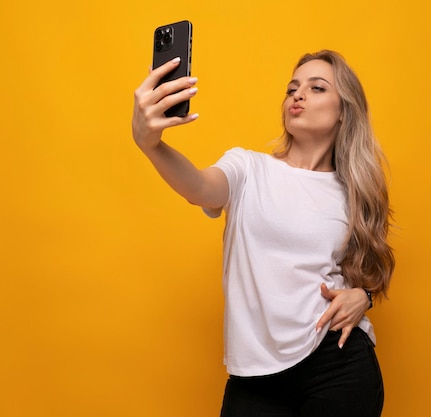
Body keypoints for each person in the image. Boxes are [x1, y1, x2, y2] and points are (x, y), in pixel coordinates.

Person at [132, 49, 395, 417]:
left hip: (336, 363)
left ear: (343, 112)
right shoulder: (248, 168)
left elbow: (370, 270)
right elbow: (199, 189)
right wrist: (152, 145)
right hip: (255, 377)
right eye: (292, 88)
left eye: (316, 88)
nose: (298, 95)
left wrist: (363, 297)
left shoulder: (354, 190)